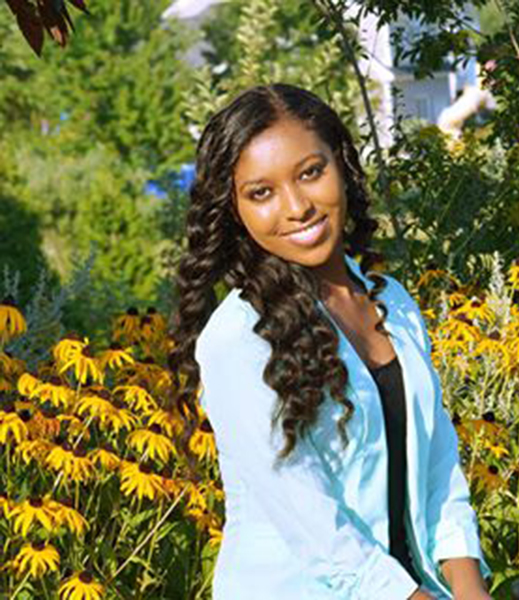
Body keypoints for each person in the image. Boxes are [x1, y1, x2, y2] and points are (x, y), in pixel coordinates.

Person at [168, 83, 493, 599]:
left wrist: (472, 591)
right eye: (261, 193)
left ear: (341, 166)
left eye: (310, 173)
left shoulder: (393, 303)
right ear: (233, 209)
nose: (297, 207)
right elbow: (315, 526)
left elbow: (437, 464)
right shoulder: (239, 341)